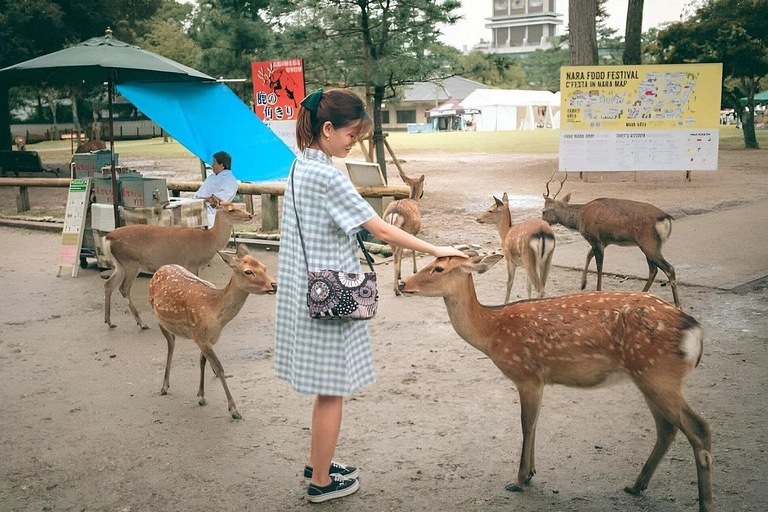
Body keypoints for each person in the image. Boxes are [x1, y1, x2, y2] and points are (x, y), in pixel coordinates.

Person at [274, 88, 466, 503]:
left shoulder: (299, 165)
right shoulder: (328, 176)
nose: (353, 143)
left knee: (325, 386)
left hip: (306, 288)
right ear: (327, 129)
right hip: (330, 296)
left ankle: (317, 462)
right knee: (332, 390)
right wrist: (436, 249)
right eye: (351, 135)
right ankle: (321, 483)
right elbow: (379, 228)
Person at [194, 151, 239, 226]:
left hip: (213, 215)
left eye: (214, 162)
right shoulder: (212, 177)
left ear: (221, 164)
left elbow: (217, 201)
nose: (212, 165)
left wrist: (206, 199)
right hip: (199, 209)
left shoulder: (230, 181)